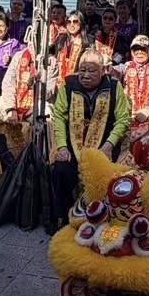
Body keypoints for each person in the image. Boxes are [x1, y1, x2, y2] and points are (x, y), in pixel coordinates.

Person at [49, 50, 133, 225]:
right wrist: (62, 146)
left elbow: (123, 119)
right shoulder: (69, 84)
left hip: (104, 145)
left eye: (92, 71)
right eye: (82, 70)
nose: (86, 75)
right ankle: (63, 219)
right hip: (73, 144)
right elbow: (59, 116)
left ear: (103, 70)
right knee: (60, 170)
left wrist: (109, 145)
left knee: (105, 176)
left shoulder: (113, 86)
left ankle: (99, 219)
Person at [0, 43, 39, 163]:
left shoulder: (50, 59)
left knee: (46, 118)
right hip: (15, 99)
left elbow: (49, 90)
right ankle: (1, 155)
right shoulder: (19, 56)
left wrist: (38, 81)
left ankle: (36, 159)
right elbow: (8, 83)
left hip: (36, 102)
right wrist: (11, 108)